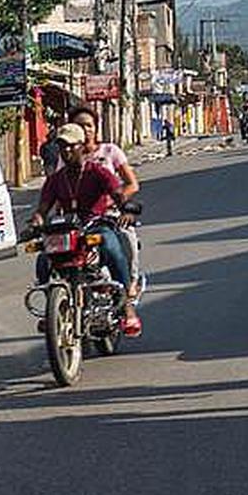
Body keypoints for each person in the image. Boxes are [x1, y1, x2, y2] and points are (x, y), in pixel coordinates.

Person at [30, 123, 134, 320]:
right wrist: (36, 221)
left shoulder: (98, 172)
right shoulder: (55, 179)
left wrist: (126, 209)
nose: (66, 150)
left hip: (95, 225)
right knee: (43, 260)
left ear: (82, 146)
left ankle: (126, 302)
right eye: (62, 146)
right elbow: (43, 208)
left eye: (71, 146)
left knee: (112, 246)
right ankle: (52, 312)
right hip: (66, 231)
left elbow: (118, 193)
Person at [65, 106, 143, 336]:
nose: (85, 130)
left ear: (96, 128)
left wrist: (119, 204)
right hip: (77, 221)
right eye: (79, 126)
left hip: (110, 216)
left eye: (88, 125)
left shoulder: (110, 152)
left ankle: (128, 297)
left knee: (123, 242)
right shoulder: (67, 156)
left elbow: (132, 184)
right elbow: (57, 191)